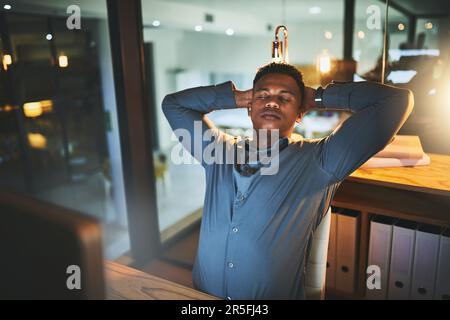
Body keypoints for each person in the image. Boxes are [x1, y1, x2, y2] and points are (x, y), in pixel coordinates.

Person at [162, 62, 413, 299]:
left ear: (300, 112)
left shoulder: (322, 160)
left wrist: (319, 97)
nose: (272, 101)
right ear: (249, 107)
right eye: (262, 95)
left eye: (285, 97)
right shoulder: (217, 151)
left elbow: (396, 101)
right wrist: (236, 97)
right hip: (201, 295)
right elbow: (173, 105)